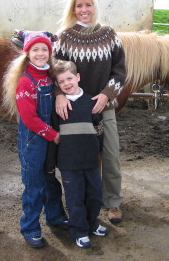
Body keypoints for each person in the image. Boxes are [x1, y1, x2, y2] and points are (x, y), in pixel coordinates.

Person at [53, 0, 126, 224]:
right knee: (79, 158)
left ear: (94, 6)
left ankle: (113, 201)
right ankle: (81, 203)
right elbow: (54, 72)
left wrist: (106, 95)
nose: (84, 9)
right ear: (73, 9)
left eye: (88, 5)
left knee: (111, 155)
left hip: (103, 108)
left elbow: (119, 72)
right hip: (75, 111)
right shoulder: (65, 37)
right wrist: (59, 95)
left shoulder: (109, 34)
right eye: (79, 5)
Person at [14, 30, 68, 249]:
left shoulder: (49, 76)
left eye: (44, 49)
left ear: (50, 52)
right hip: (33, 140)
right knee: (34, 183)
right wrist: (53, 134)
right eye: (35, 49)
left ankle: (54, 216)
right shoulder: (25, 81)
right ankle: (30, 226)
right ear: (27, 53)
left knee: (50, 178)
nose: (40, 53)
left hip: (47, 138)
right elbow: (29, 118)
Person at [46, 60, 108, 248]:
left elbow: (99, 130)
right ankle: (79, 230)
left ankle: (92, 223)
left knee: (95, 196)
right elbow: (54, 138)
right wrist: (51, 163)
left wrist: (98, 153)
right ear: (57, 85)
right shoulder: (58, 108)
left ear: (78, 77)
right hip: (69, 164)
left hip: (90, 161)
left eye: (69, 78)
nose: (66, 83)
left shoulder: (91, 103)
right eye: (61, 81)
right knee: (75, 199)